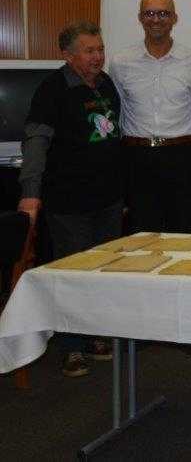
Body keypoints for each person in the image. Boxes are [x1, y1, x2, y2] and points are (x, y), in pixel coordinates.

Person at [17, 21, 122, 377]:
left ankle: (93, 336)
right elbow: (36, 142)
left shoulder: (106, 84)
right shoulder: (52, 89)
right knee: (72, 274)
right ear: (68, 55)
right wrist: (30, 194)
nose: (98, 57)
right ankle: (71, 346)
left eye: (100, 49)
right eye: (89, 51)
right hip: (69, 203)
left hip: (107, 199)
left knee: (102, 273)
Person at [109, 0, 191, 234]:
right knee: (141, 234)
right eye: (150, 13)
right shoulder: (121, 62)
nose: (156, 19)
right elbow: (116, 116)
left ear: (175, 18)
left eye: (163, 13)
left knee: (182, 233)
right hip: (137, 158)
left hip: (180, 157)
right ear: (140, 18)